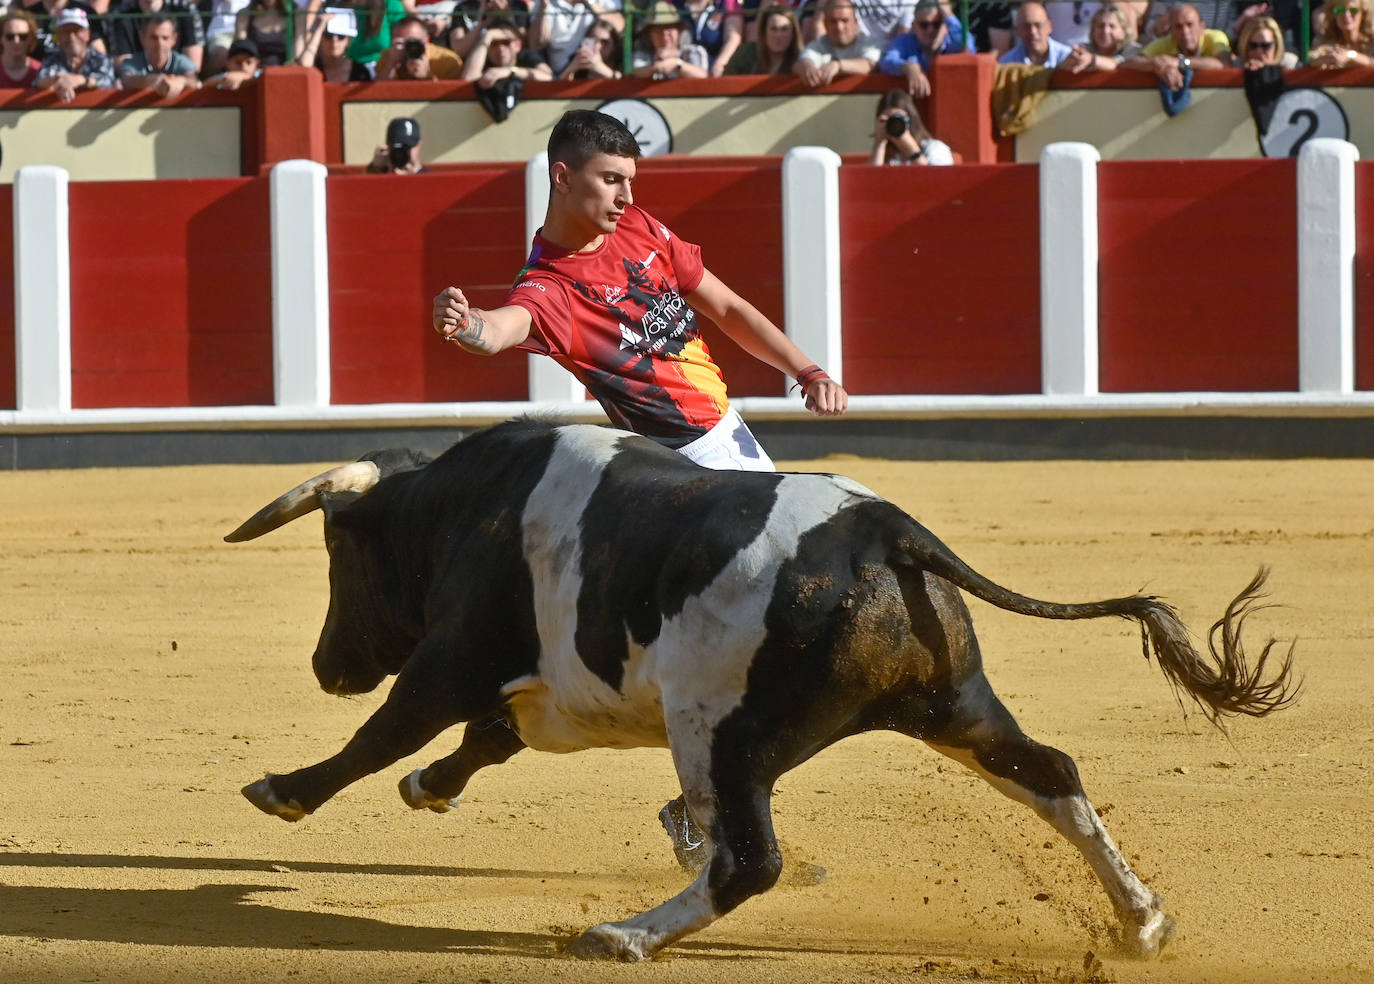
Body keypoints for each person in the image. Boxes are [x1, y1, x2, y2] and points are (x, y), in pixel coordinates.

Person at [431, 108, 847, 468]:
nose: (626, 197)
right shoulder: (550, 285)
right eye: (611, 179)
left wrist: (808, 372)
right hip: (683, 458)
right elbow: (500, 330)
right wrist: (466, 323)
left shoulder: (639, 225)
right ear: (563, 178)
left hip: (715, 440)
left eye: (629, 180)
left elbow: (727, 308)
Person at [877, 0, 973, 97]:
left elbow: (969, 49)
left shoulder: (952, 42)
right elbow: (886, 62)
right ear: (913, 26)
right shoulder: (905, 41)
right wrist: (907, 67)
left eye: (936, 24)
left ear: (944, 25)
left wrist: (949, 15)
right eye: (924, 25)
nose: (930, 30)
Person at [1124, 4, 1232, 87]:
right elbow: (1128, 63)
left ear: (1202, 27)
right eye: (1178, 27)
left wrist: (1180, 62)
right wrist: (1155, 65)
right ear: (1171, 30)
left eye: (1189, 25)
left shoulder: (1215, 37)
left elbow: (1224, 64)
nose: (1185, 32)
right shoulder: (1166, 42)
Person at [33, 7, 114, 101]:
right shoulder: (51, 60)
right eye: (66, 32)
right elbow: (38, 82)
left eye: (76, 30)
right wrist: (58, 79)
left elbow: (107, 81)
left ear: (87, 34)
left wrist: (79, 80)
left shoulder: (101, 59)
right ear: (58, 35)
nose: (71, 37)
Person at [794, 0, 881, 87]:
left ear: (855, 22)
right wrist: (806, 66)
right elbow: (801, 62)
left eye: (844, 20)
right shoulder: (817, 45)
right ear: (825, 24)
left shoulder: (869, 43)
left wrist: (838, 65)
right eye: (833, 21)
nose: (839, 27)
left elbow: (869, 65)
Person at [529, 0, 625, 76]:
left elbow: (619, 26)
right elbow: (535, 44)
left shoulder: (601, 1)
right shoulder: (546, 2)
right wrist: (544, 8)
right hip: (558, 74)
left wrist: (590, 2)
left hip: (592, 68)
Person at [106, 0, 206, 72]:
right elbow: (124, 68)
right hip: (137, 87)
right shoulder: (119, 14)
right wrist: (153, 81)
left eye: (165, 38)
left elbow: (193, 67)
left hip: (178, 86)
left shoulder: (185, 9)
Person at [117, 15, 201, 94]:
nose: (160, 44)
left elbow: (193, 79)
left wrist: (181, 81)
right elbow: (126, 79)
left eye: (165, 38)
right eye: (154, 37)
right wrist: (150, 80)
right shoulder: (132, 62)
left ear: (174, 39)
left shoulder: (181, 61)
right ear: (142, 38)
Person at [869, 87, 953, 164]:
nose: (894, 124)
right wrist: (879, 144)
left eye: (899, 119)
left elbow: (936, 179)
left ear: (910, 120)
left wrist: (911, 150)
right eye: (888, 120)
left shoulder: (935, 148)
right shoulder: (886, 155)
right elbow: (872, 179)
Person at [461, 13, 550, 80]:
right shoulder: (483, 59)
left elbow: (548, 76)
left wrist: (510, 72)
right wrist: (487, 36)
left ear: (518, 45)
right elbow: (468, 78)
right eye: (494, 43)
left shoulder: (526, 55)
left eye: (505, 42)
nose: (500, 48)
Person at [374, 13, 465, 77]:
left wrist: (427, 76)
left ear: (426, 40)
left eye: (413, 42)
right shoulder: (387, 57)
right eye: (402, 43)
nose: (409, 47)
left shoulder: (447, 60)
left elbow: (452, 100)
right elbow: (374, 95)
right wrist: (390, 66)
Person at [298, 6, 376, 79]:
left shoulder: (361, 72)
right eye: (328, 35)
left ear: (348, 41)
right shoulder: (314, 65)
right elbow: (304, 68)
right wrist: (320, 27)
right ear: (320, 39)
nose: (334, 41)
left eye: (341, 36)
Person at [722, 4, 801, 74]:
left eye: (784, 29)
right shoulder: (745, 54)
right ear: (764, 31)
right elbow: (727, 83)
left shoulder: (801, 58)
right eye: (773, 29)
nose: (778, 35)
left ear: (793, 33)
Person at [1062, 4, 1140, 71]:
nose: (1105, 31)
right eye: (1100, 26)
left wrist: (1091, 60)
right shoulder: (1085, 49)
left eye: (1112, 26)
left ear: (1124, 31)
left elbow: (1116, 64)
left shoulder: (1133, 50)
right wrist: (1072, 60)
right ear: (1093, 30)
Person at [998, 1, 1074, 66]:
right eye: (1026, 26)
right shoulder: (1007, 63)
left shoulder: (1068, 58)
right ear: (1017, 30)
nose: (1033, 32)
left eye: (1038, 25)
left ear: (1049, 27)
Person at [1307, 0, 1374, 67]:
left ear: (1363, 14)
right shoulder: (1324, 41)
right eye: (1339, 10)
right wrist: (1327, 59)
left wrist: (1351, 55)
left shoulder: (1371, 41)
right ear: (1333, 15)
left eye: (1353, 10)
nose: (1346, 15)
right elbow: (1311, 60)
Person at [555, 15, 621, 77]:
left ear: (614, 45)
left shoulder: (622, 61)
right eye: (593, 40)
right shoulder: (576, 58)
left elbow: (626, 84)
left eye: (604, 42)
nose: (597, 46)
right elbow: (559, 86)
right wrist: (570, 69)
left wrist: (602, 68)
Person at [0, 10, 42, 88]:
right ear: (1, 38)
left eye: (23, 36)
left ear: (31, 38)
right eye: (10, 36)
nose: (16, 41)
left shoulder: (40, 71)